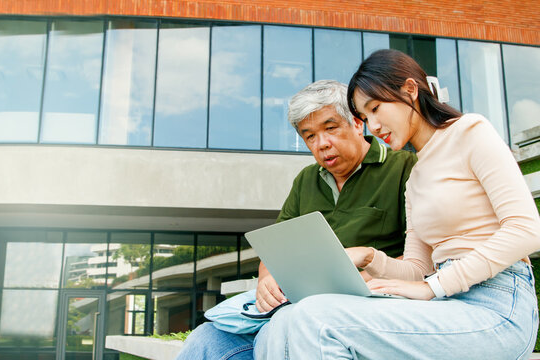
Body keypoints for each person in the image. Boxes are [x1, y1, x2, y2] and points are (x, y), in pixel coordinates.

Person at [254, 49, 540, 359]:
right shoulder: (415, 178)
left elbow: (526, 229)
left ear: (410, 90)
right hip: (447, 304)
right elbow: (418, 270)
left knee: (317, 320)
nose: (373, 126)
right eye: (365, 117)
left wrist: (435, 286)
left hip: (498, 305)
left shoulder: (470, 132)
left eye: (376, 108)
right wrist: (368, 256)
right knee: (287, 319)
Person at [175, 79, 417, 359]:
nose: (322, 144)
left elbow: (421, 257)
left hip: (364, 307)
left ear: (357, 123)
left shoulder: (403, 168)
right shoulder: (306, 180)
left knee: (278, 333)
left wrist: (360, 277)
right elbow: (276, 250)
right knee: (206, 339)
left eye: (330, 128)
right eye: (310, 136)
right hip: (299, 304)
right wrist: (266, 281)